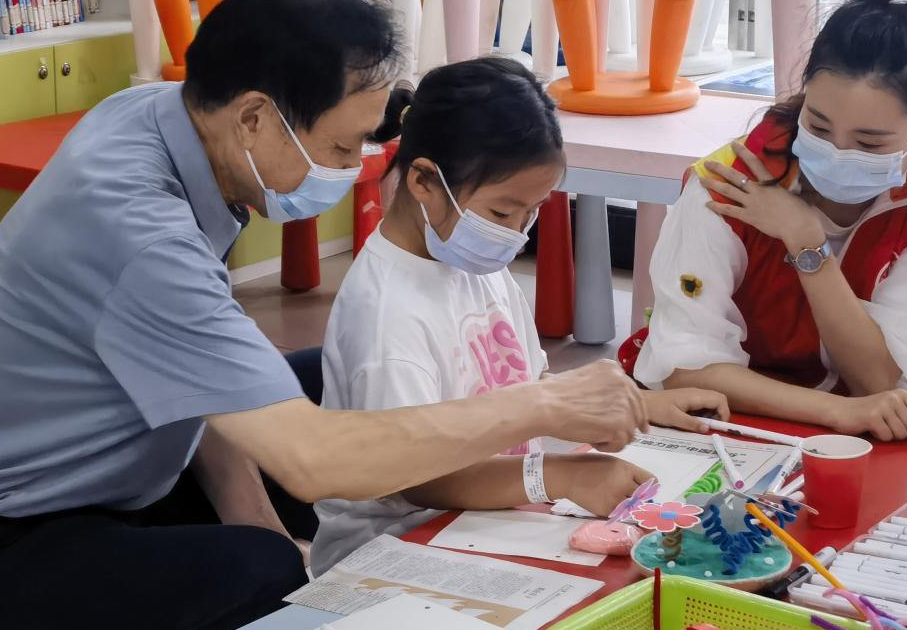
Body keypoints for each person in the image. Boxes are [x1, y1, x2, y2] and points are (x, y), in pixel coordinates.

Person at [0, 0, 655, 630]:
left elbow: (199, 366)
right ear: (254, 117)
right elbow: (313, 463)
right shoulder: (139, 232)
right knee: (263, 569)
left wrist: (251, 513)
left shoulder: (166, 119)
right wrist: (540, 405)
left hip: (113, 467)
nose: (352, 170)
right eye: (340, 147)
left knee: (322, 389)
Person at [311, 58, 729, 575]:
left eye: (533, 211)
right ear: (423, 180)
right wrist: (558, 475)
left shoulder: (468, 259)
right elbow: (416, 478)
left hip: (481, 520)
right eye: (502, 213)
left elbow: (520, 386)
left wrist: (637, 404)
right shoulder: (385, 318)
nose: (516, 232)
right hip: (390, 556)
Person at [632, 0, 907, 442]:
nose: (837, 153)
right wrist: (839, 412)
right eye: (817, 126)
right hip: (723, 422)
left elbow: (878, 381)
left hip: (861, 437)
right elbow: (686, 371)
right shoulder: (726, 187)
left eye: (869, 143)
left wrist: (807, 244)